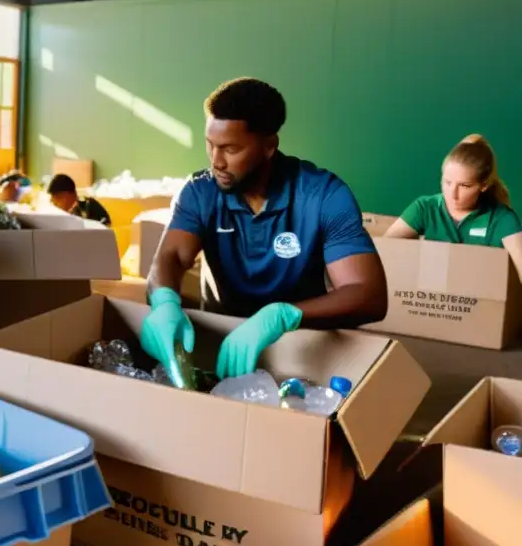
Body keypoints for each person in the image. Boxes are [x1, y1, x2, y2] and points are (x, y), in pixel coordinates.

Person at [144, 78, 387, 383]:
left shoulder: (324, 195)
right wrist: (165, 301)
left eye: (230, 149)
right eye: (210, 145)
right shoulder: (200, 191)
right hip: (221, 345)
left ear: (269, 146)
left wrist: (281, 315)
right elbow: (171, 257)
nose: (216, 161)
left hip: (301, 353)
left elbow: (369, 295)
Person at [385, 135, 522, 269]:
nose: (452, 194)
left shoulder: (503, 219)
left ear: (483, 185)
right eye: (447, 182)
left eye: (464, 185)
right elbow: (383, 251)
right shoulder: (425, 208)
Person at [47, 174, 111, 226]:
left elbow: (106, 223)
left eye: (57, 198)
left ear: (66, 196)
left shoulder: (88, 205)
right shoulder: (58, 214)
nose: (53, 203)